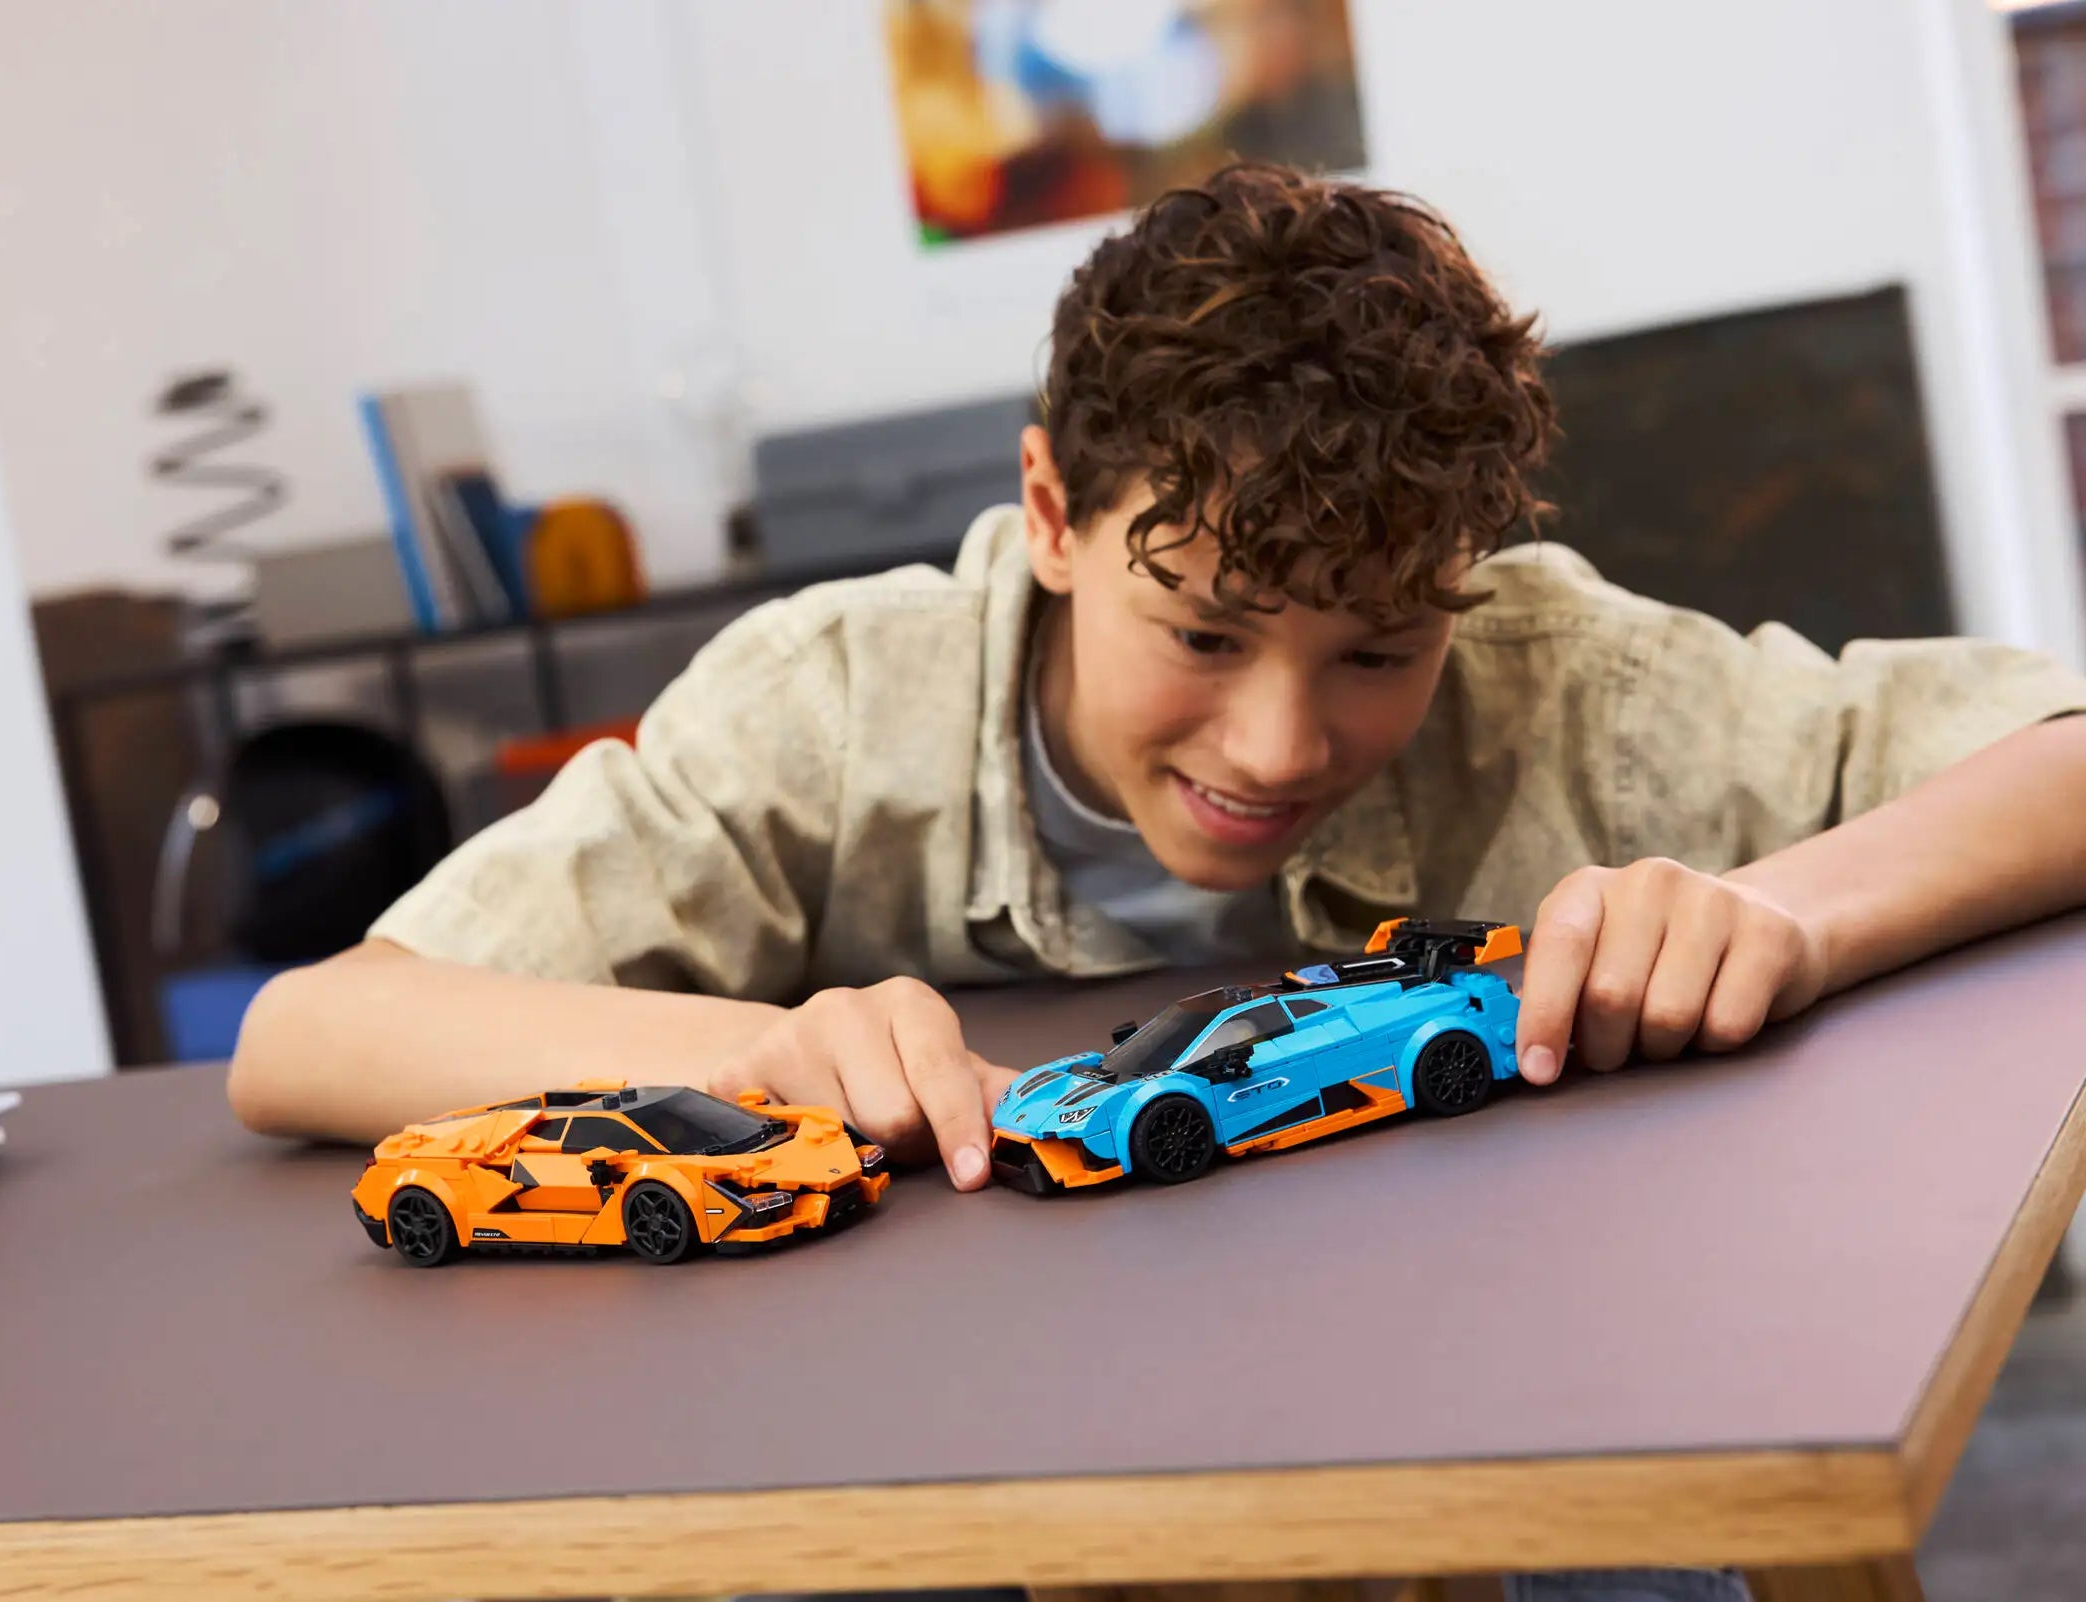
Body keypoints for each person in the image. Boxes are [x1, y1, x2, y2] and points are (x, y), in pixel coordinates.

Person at [228, 165, 2086, 1598]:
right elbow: (309, 1032)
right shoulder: (833, 701)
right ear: (1050, 515)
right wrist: (761, 1049)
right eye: (1199, 629)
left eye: (1378, 650)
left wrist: (1785, 911)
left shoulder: (1558, 671)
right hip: (966, 1457)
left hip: (1496, 1409)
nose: (1277, 743)